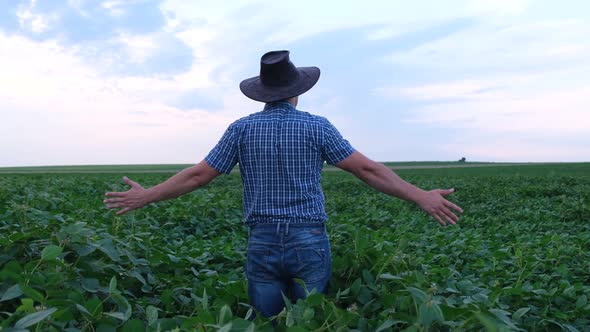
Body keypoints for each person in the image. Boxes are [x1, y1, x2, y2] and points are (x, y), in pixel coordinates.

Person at [103, 50, 463, 318]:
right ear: (297, 91)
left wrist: (146, 196)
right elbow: (367, 170)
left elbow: (199, 175)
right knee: (306, 322)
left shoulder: (241, 129)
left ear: (262, 92)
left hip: (262, 240)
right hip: (309, 239)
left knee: (266, 322)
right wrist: (420, 196)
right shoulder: (317, 126)